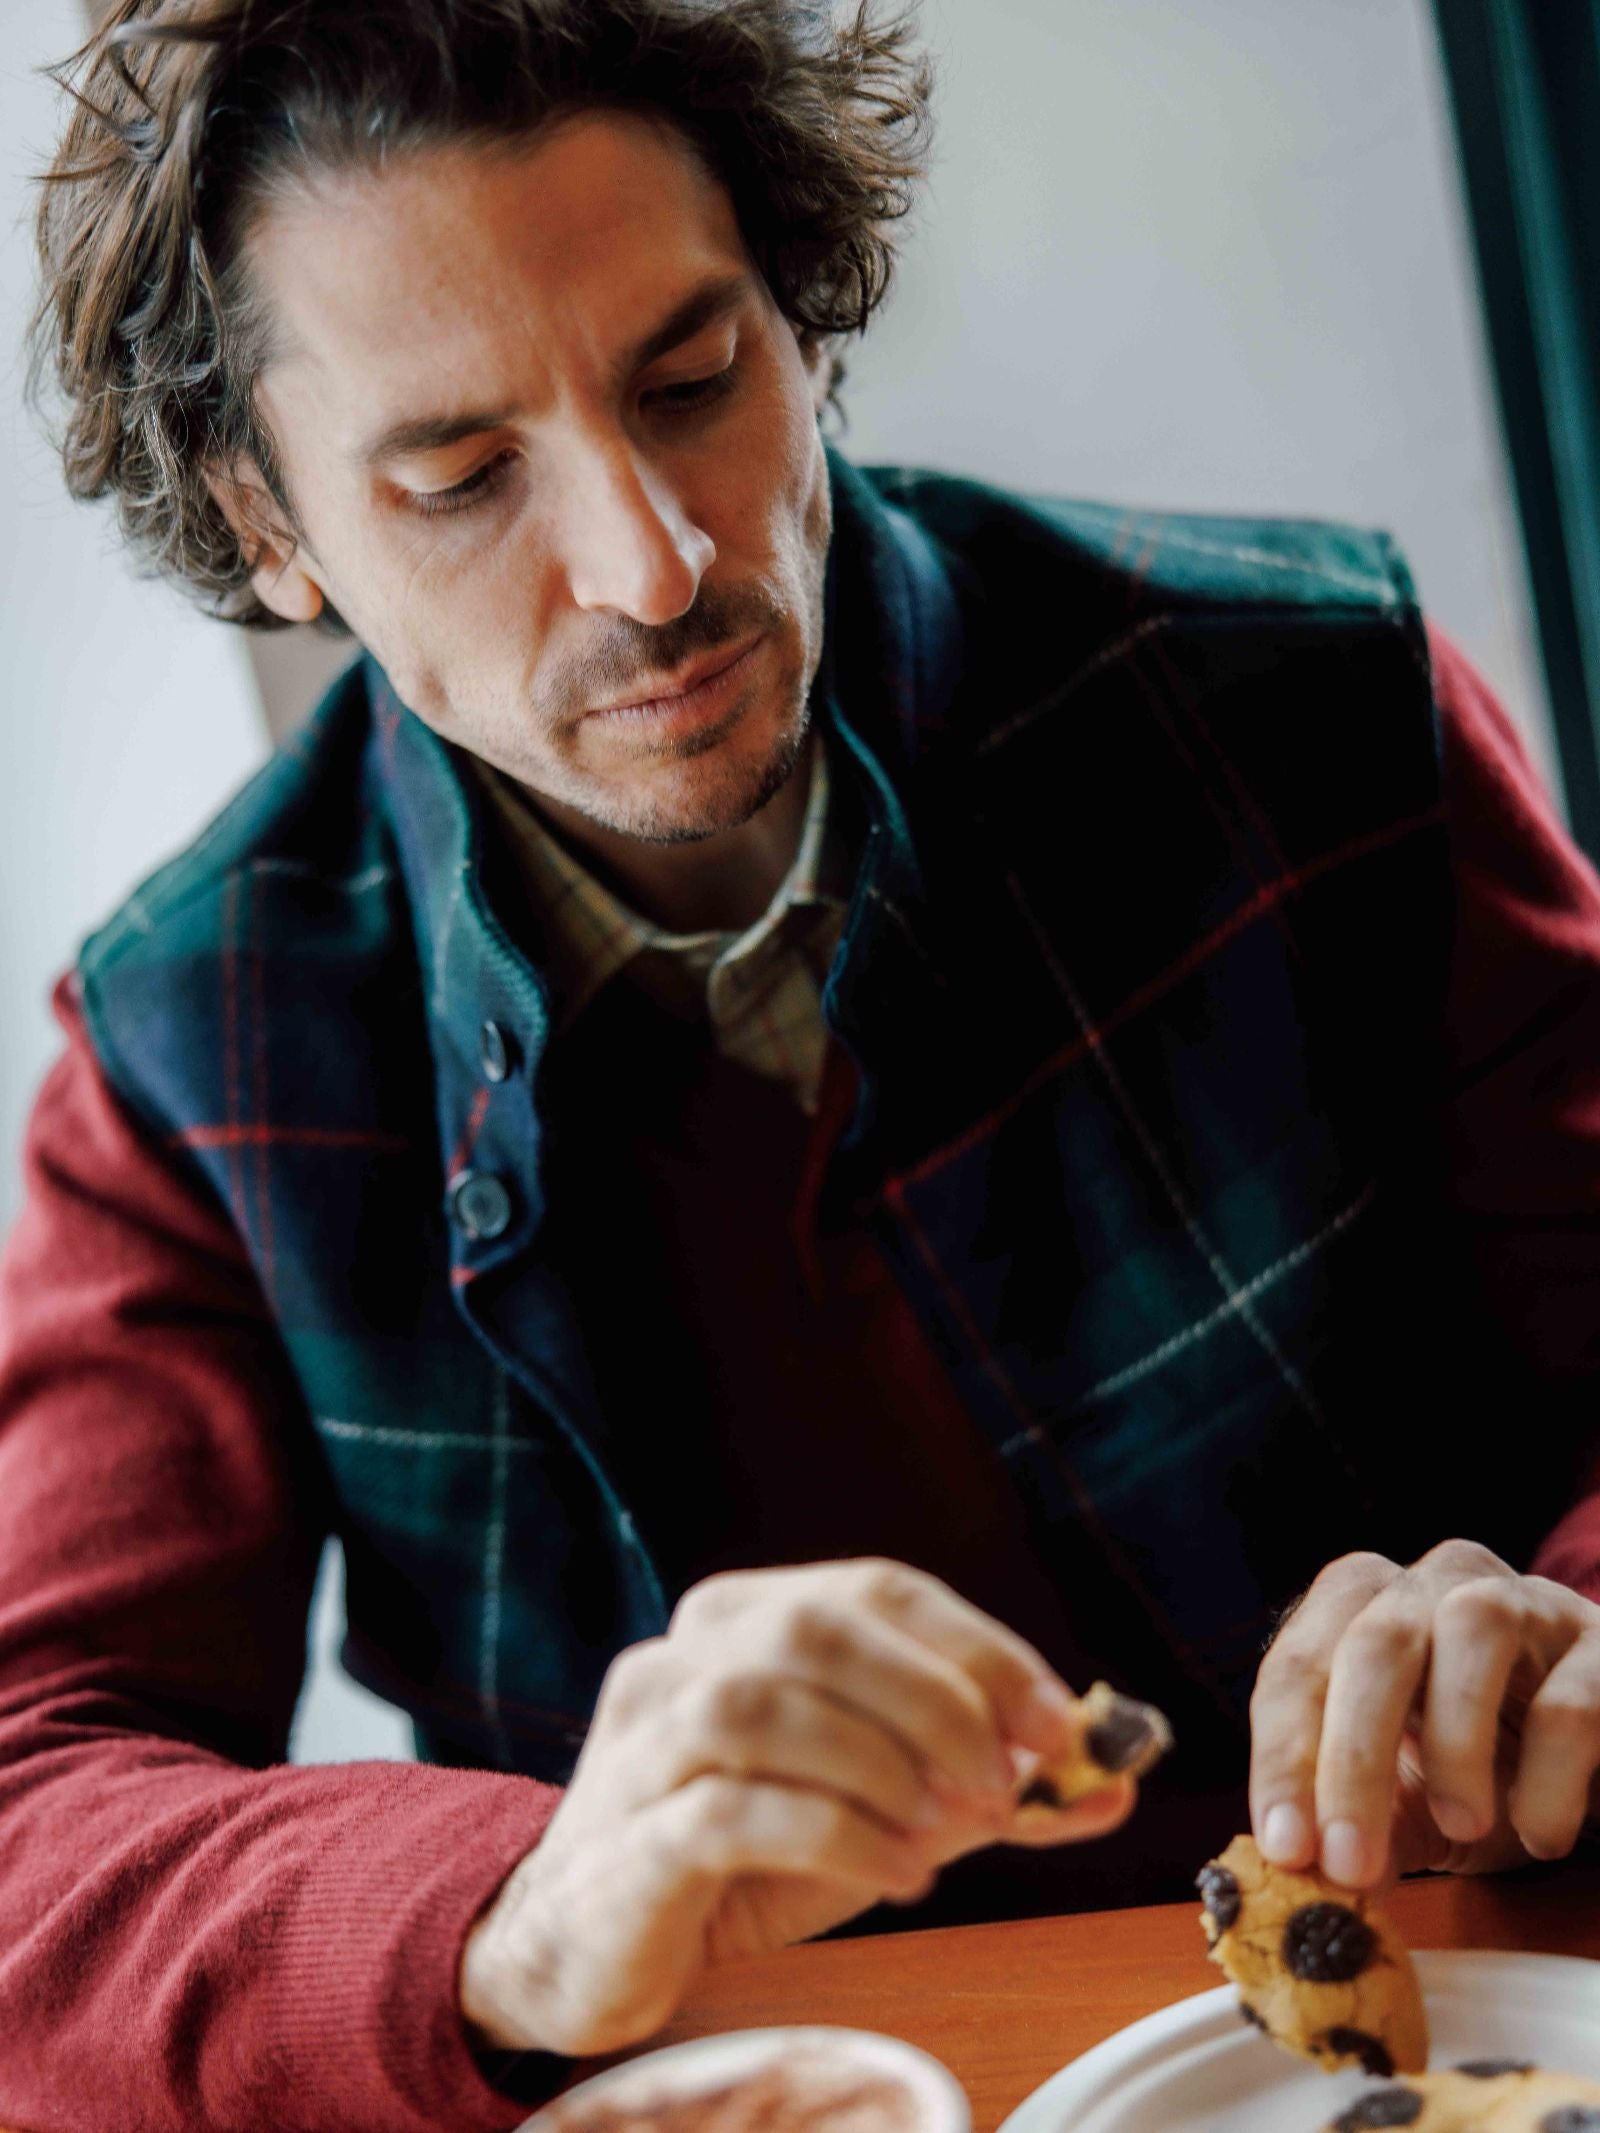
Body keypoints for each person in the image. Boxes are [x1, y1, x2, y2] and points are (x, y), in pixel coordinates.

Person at [7, 0, 1600, 2127]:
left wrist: (1572, 1617)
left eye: (694, 378)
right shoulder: (188, 1044)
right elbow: (30, 1820)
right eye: (462, 476)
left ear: (804, 310)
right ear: (269, 524)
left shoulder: (1319, 706)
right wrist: (514, 1904)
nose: (657, 564)